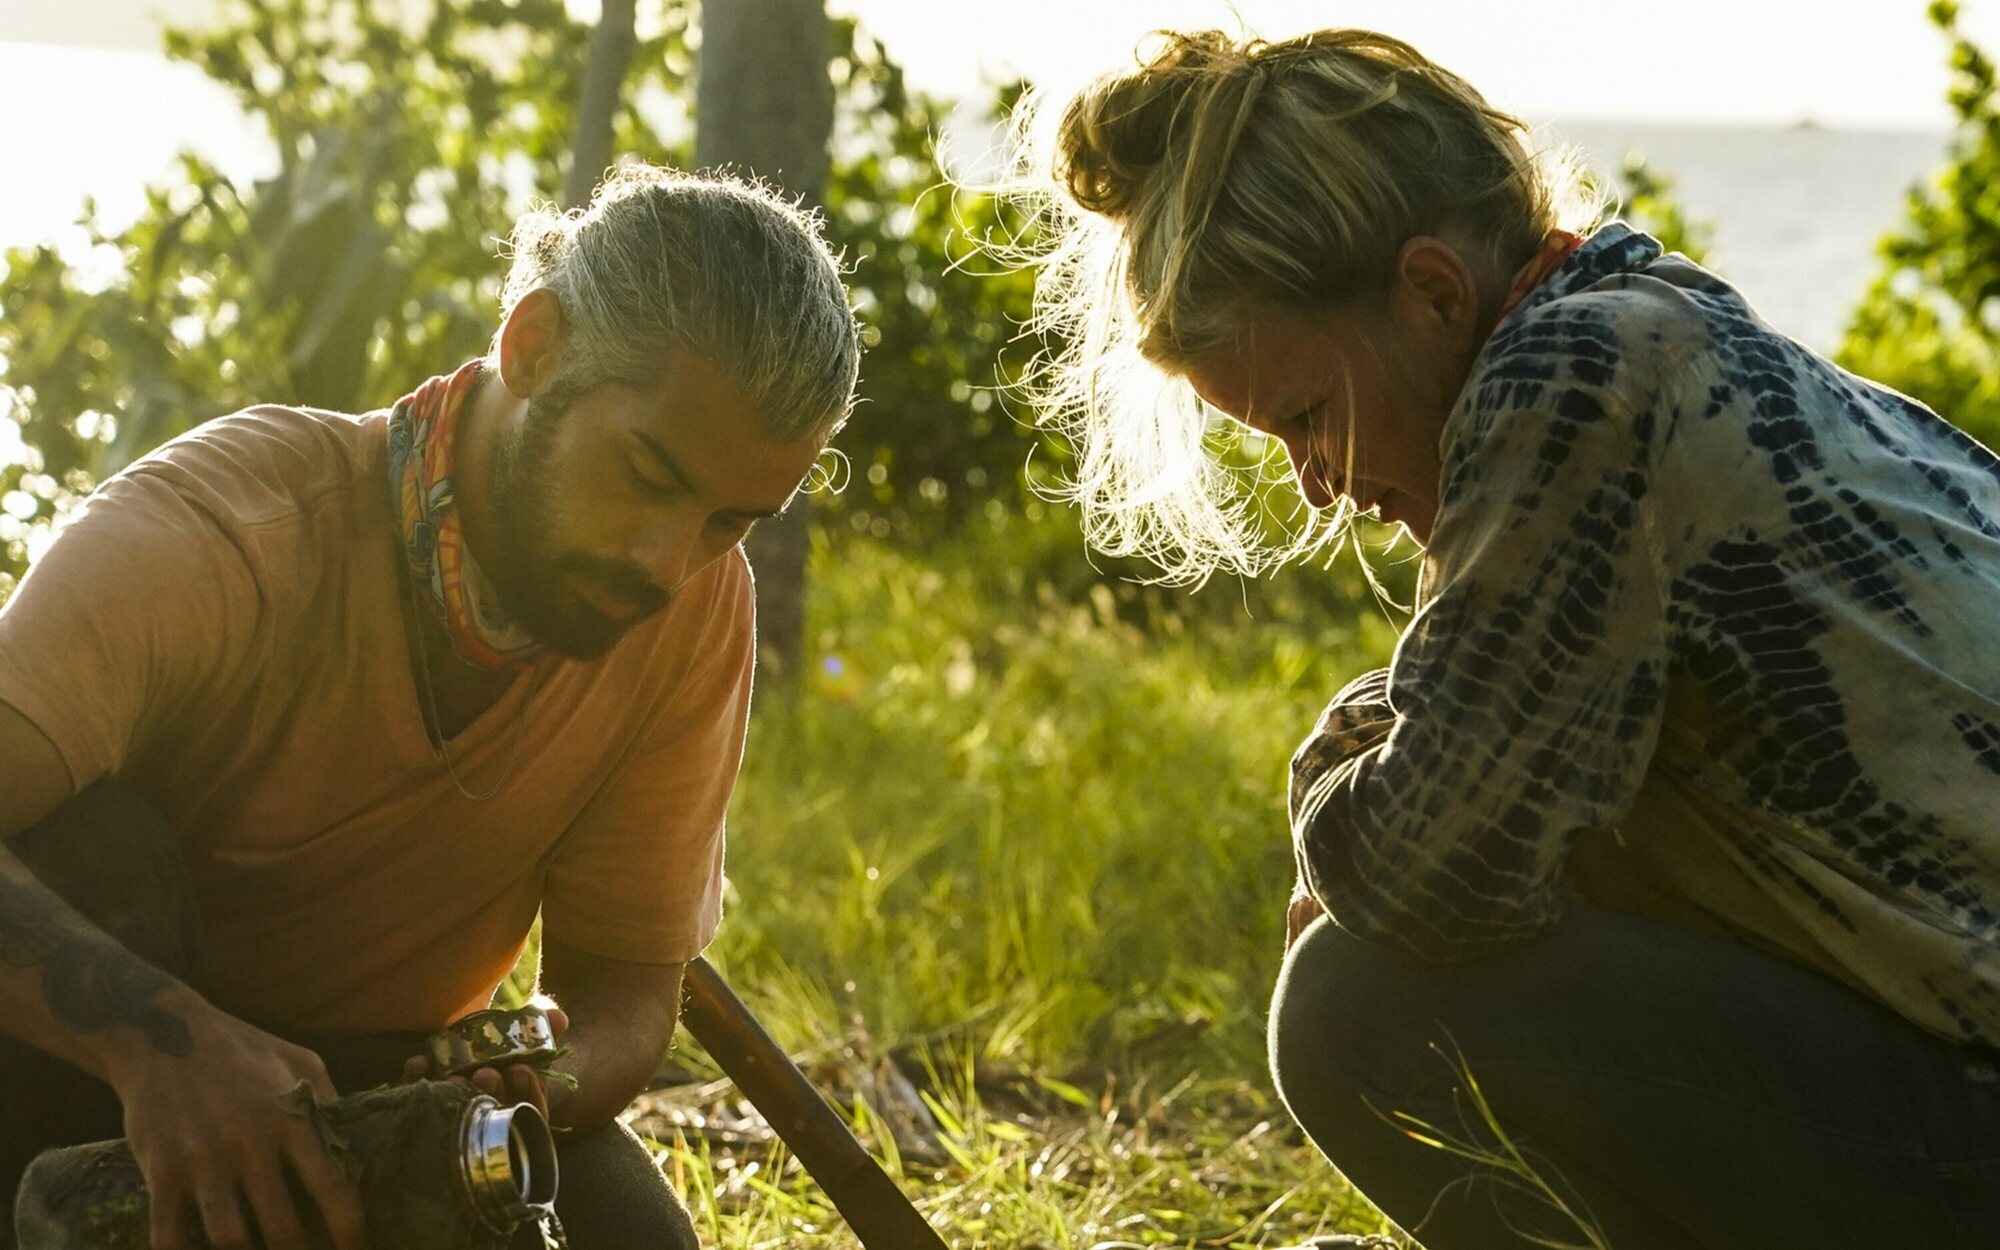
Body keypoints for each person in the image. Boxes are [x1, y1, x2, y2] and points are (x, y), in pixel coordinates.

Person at [1010, 26, 2000, 1250]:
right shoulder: (1653, 319)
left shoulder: (1576, 373)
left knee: (1355, 1002)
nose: (1314, 485)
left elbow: (1426, 869)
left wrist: (1327, 780)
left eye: (1307, 415)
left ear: (1431, 291)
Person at [0, 163, 859, 1250]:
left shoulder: (688, 604)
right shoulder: (227, 529)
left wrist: (541, 1080)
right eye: (643, 471)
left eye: (729, 520)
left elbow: (626, 989)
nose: (665, 558)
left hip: (371, 1087)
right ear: (536, 346)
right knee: (92, 847)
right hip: (77, 1073)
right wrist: (163, 1045)